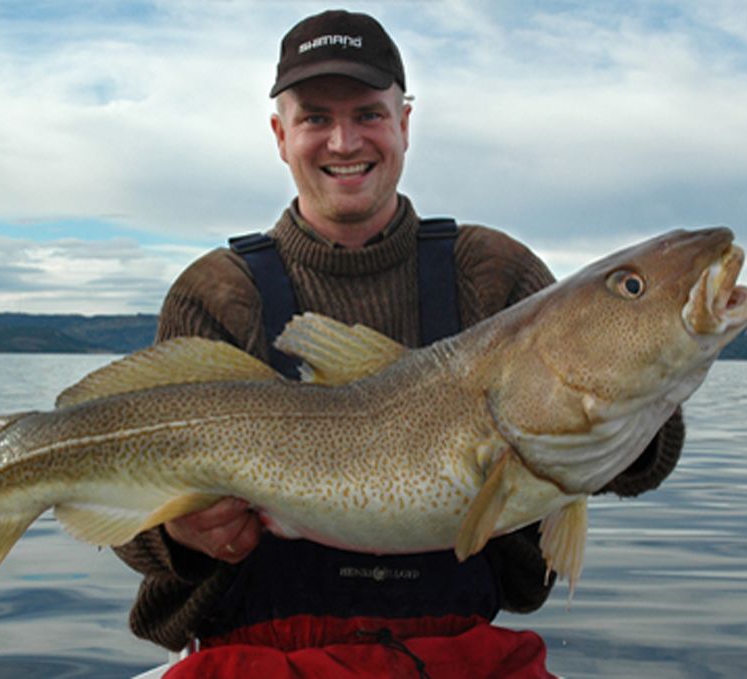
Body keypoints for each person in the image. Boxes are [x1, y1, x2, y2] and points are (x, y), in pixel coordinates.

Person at [114, 10, 685, 678]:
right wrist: (175, 533)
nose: (343, 139)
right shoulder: (216, 292)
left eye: (368, 113)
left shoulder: (495, 272)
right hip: (260, 658)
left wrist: (640, 391)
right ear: (280, 134)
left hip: (462, 655)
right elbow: (124, 496)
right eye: (315, 118)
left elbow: (640, 457)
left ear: (405, 123)